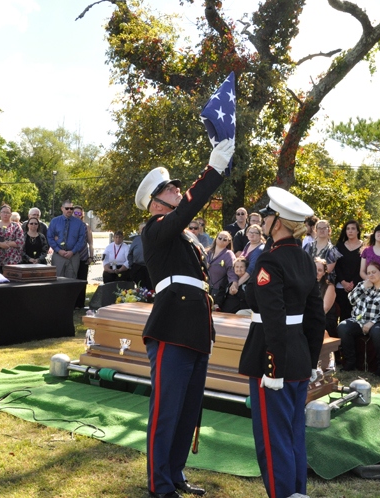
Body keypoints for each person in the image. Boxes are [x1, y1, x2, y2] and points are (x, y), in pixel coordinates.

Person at [134, 138, 234, 498]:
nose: (178, 190)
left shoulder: (184, 235)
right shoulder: (155, 228)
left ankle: (175, 473)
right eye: (170, 188)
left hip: (195, 327)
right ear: (155, 203)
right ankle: (159, 484)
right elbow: (187, 209)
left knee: (189, 409)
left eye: (177, 187)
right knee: (166, 410)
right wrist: (214, 169)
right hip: (172, 327)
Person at [238, 186, 325, 498]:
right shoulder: (305, 258)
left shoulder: (268, 261)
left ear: (278, 223)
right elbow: (316, 317)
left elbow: (273, 317)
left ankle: (283, 494)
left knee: (273, 438)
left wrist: (272, 367)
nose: (263, 221)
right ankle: (297, 492)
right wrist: (311, 360)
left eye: (268, 216)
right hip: (299, 356)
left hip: (272, 357)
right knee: (293, 433)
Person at [337, 261, 380, 376]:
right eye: (368, 273)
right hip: (360, 321)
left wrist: (372, 322)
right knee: (343, 327)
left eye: (374, 272)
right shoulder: (363, 285)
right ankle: (350, 362)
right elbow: (351, 300)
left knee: (376, 330)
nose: (371, 275)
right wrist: (362, 288)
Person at [47, 200, 86, 278]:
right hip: (58, 256)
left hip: (73, 256)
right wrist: (59, 250)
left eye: (71, 208)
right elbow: (50, 237)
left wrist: (72, 251)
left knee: (71, 280)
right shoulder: (55, 221)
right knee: (57, 279)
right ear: (62, 208)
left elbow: (81, 239)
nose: (69, 210)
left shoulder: (79, 223)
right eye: (67, 208)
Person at [334, 220, 364, 323]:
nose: (350, 231)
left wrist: (353, 283)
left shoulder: (364, 247)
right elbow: (337, 266)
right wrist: (343, 282)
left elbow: (363, 268)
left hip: (358, 287)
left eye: (353, 229)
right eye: (348, 229)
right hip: (341, 286)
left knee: (356, 317)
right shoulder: (339, 246)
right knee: (343, 315)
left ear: (358, 231)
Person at [0, 203, 24, 273]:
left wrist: (9, 243)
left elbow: (21, 241)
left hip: (12, 260)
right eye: (3, 212)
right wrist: (0, 244)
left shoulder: (16, 226)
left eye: (7, 212)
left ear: (10, 214)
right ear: (0, 214)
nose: (5, 214)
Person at [229, 223, 265, 295]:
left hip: (251, 282)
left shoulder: (260, 249)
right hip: (242, 279)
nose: (252, 234)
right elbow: (239, 260)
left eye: (255, 233)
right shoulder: (249, 243)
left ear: (260, 235)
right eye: (250, 232)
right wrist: (234, 281)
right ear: (247, 234)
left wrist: (236, 285)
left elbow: (250, 271)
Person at [206, 230, 237, 309]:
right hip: (204, 287)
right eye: (220, 238)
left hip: (218, 290)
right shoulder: (208, 252)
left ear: (228, 242)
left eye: (225, 239)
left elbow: (232, 271)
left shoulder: (229, 254)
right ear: (216, 239)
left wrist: (234, 283)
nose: (222, 240)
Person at [73, 206, 95, 309]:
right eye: (75, 213)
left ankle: (80, 304)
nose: (77, 215)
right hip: (72, 257)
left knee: (82, 280)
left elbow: (90, 243)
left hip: (83, 256)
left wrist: (91, 256)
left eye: (79, 213)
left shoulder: (86, 226)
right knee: (73, 280)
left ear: (82, 215)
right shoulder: (70, 225)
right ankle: (73, 303)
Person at [315, 257, 340, 338]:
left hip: (326, 320)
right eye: (314, 269)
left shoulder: (329, 287)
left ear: (324, 273)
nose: (316, 272)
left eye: (319, 270)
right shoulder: (306, 285)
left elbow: (324, 309)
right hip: (311, 318)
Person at [128, 222, 152, 289]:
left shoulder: (153, 239)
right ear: (139, 230)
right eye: (142, 229)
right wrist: (131, 265)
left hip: (149, 268)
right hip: (138, 267)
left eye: (145, 228)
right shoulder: (136, 240)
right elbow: (130, 254)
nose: (144, 230)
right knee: (140, 287)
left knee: (150, 287)